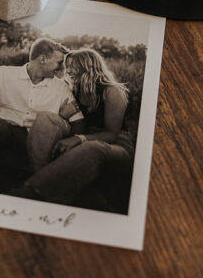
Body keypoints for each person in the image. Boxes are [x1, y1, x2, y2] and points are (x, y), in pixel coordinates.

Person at [0, 37, 83, 187]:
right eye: (59, 62)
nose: (62, 69)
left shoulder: (61, 88)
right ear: (42, 59)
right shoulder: (2, 73)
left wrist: (68, 140)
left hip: (37, 143)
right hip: (2, 131)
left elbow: (78, 122)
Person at [16, 47, 134, 204]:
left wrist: (78, 138)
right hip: (83, 137)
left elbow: (112, 134)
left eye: (73, 66)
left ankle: (28, 192)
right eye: (67, 66)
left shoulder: (112, 91)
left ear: (88, 66)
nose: (67, 70)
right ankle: (40, 178)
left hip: (116, 144)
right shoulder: (73, 89)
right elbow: (69, 119)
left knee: (92, 148)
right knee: (47, 119)